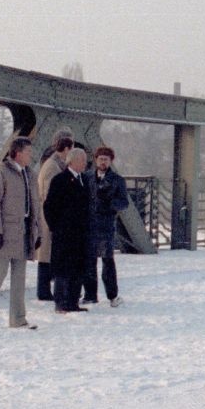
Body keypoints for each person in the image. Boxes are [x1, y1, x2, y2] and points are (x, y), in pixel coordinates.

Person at [0, 137, 39, 330]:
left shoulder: (30, 174)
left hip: (23, 232)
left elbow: (35, 204)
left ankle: (18, 319)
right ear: (17, 153)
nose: (30, 155)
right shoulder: (1, 173)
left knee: (19, 277)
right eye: (28, 152)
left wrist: (37, 232)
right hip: (5, 232)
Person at [44, 147, 92, 313]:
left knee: (78, 267)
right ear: (72, 161)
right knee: (63, 269)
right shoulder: (60, 180)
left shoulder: (84, 180)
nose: (85, 163)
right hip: (64, 233)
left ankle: (73, 302)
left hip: (81, 233)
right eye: (82, 160)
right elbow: (49, 206)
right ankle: (60, 302)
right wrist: (56, 227)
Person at [82, 146, 130, 307]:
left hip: (106, 225)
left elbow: (124, 202)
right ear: (96, 160)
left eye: (106, 159)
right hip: (89, 224)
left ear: (110, 161)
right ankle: (90, 294)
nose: (103, 162)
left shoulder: (117, 180)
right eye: (101, 159)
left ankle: (112, 295)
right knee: (89, 261)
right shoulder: (87, 177)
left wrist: (110, 205)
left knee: (107, 260)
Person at [34, 130, 75, 301]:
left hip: (51, 215)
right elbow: (50, 194)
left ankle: (45, 290)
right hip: (49, 217)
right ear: (66, 149)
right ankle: (43, 291)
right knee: (46, 254)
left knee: (48, 253)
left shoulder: (54, 163)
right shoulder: (52, 166)